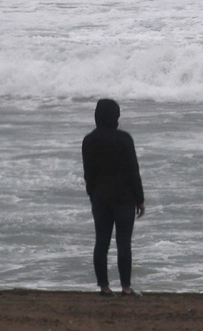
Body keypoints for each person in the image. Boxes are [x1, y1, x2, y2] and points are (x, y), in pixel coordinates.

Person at [81, 98, 145, 297]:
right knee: (123, 243)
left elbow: (88, 174)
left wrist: (93, 194)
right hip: (124, 198)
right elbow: (133, 171)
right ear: (116, 116)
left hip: (100, 198)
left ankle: (104, 287)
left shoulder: (89, 140)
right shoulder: (124, 139)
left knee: (102, 242)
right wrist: (140, 199)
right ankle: (126, 288)